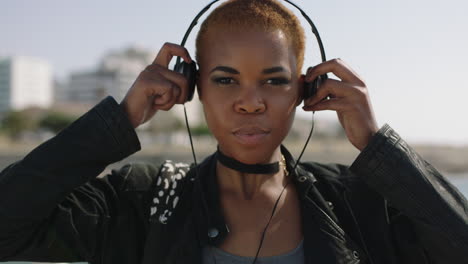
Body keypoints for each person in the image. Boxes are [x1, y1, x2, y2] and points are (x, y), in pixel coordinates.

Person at [0, 0, 467, 263]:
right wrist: (120, 121)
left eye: (274, 80)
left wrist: (377, 146)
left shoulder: (357, 203)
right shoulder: (140, 202)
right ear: (193, 88)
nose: (250, 101)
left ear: (305, 89)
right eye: (225, 80)